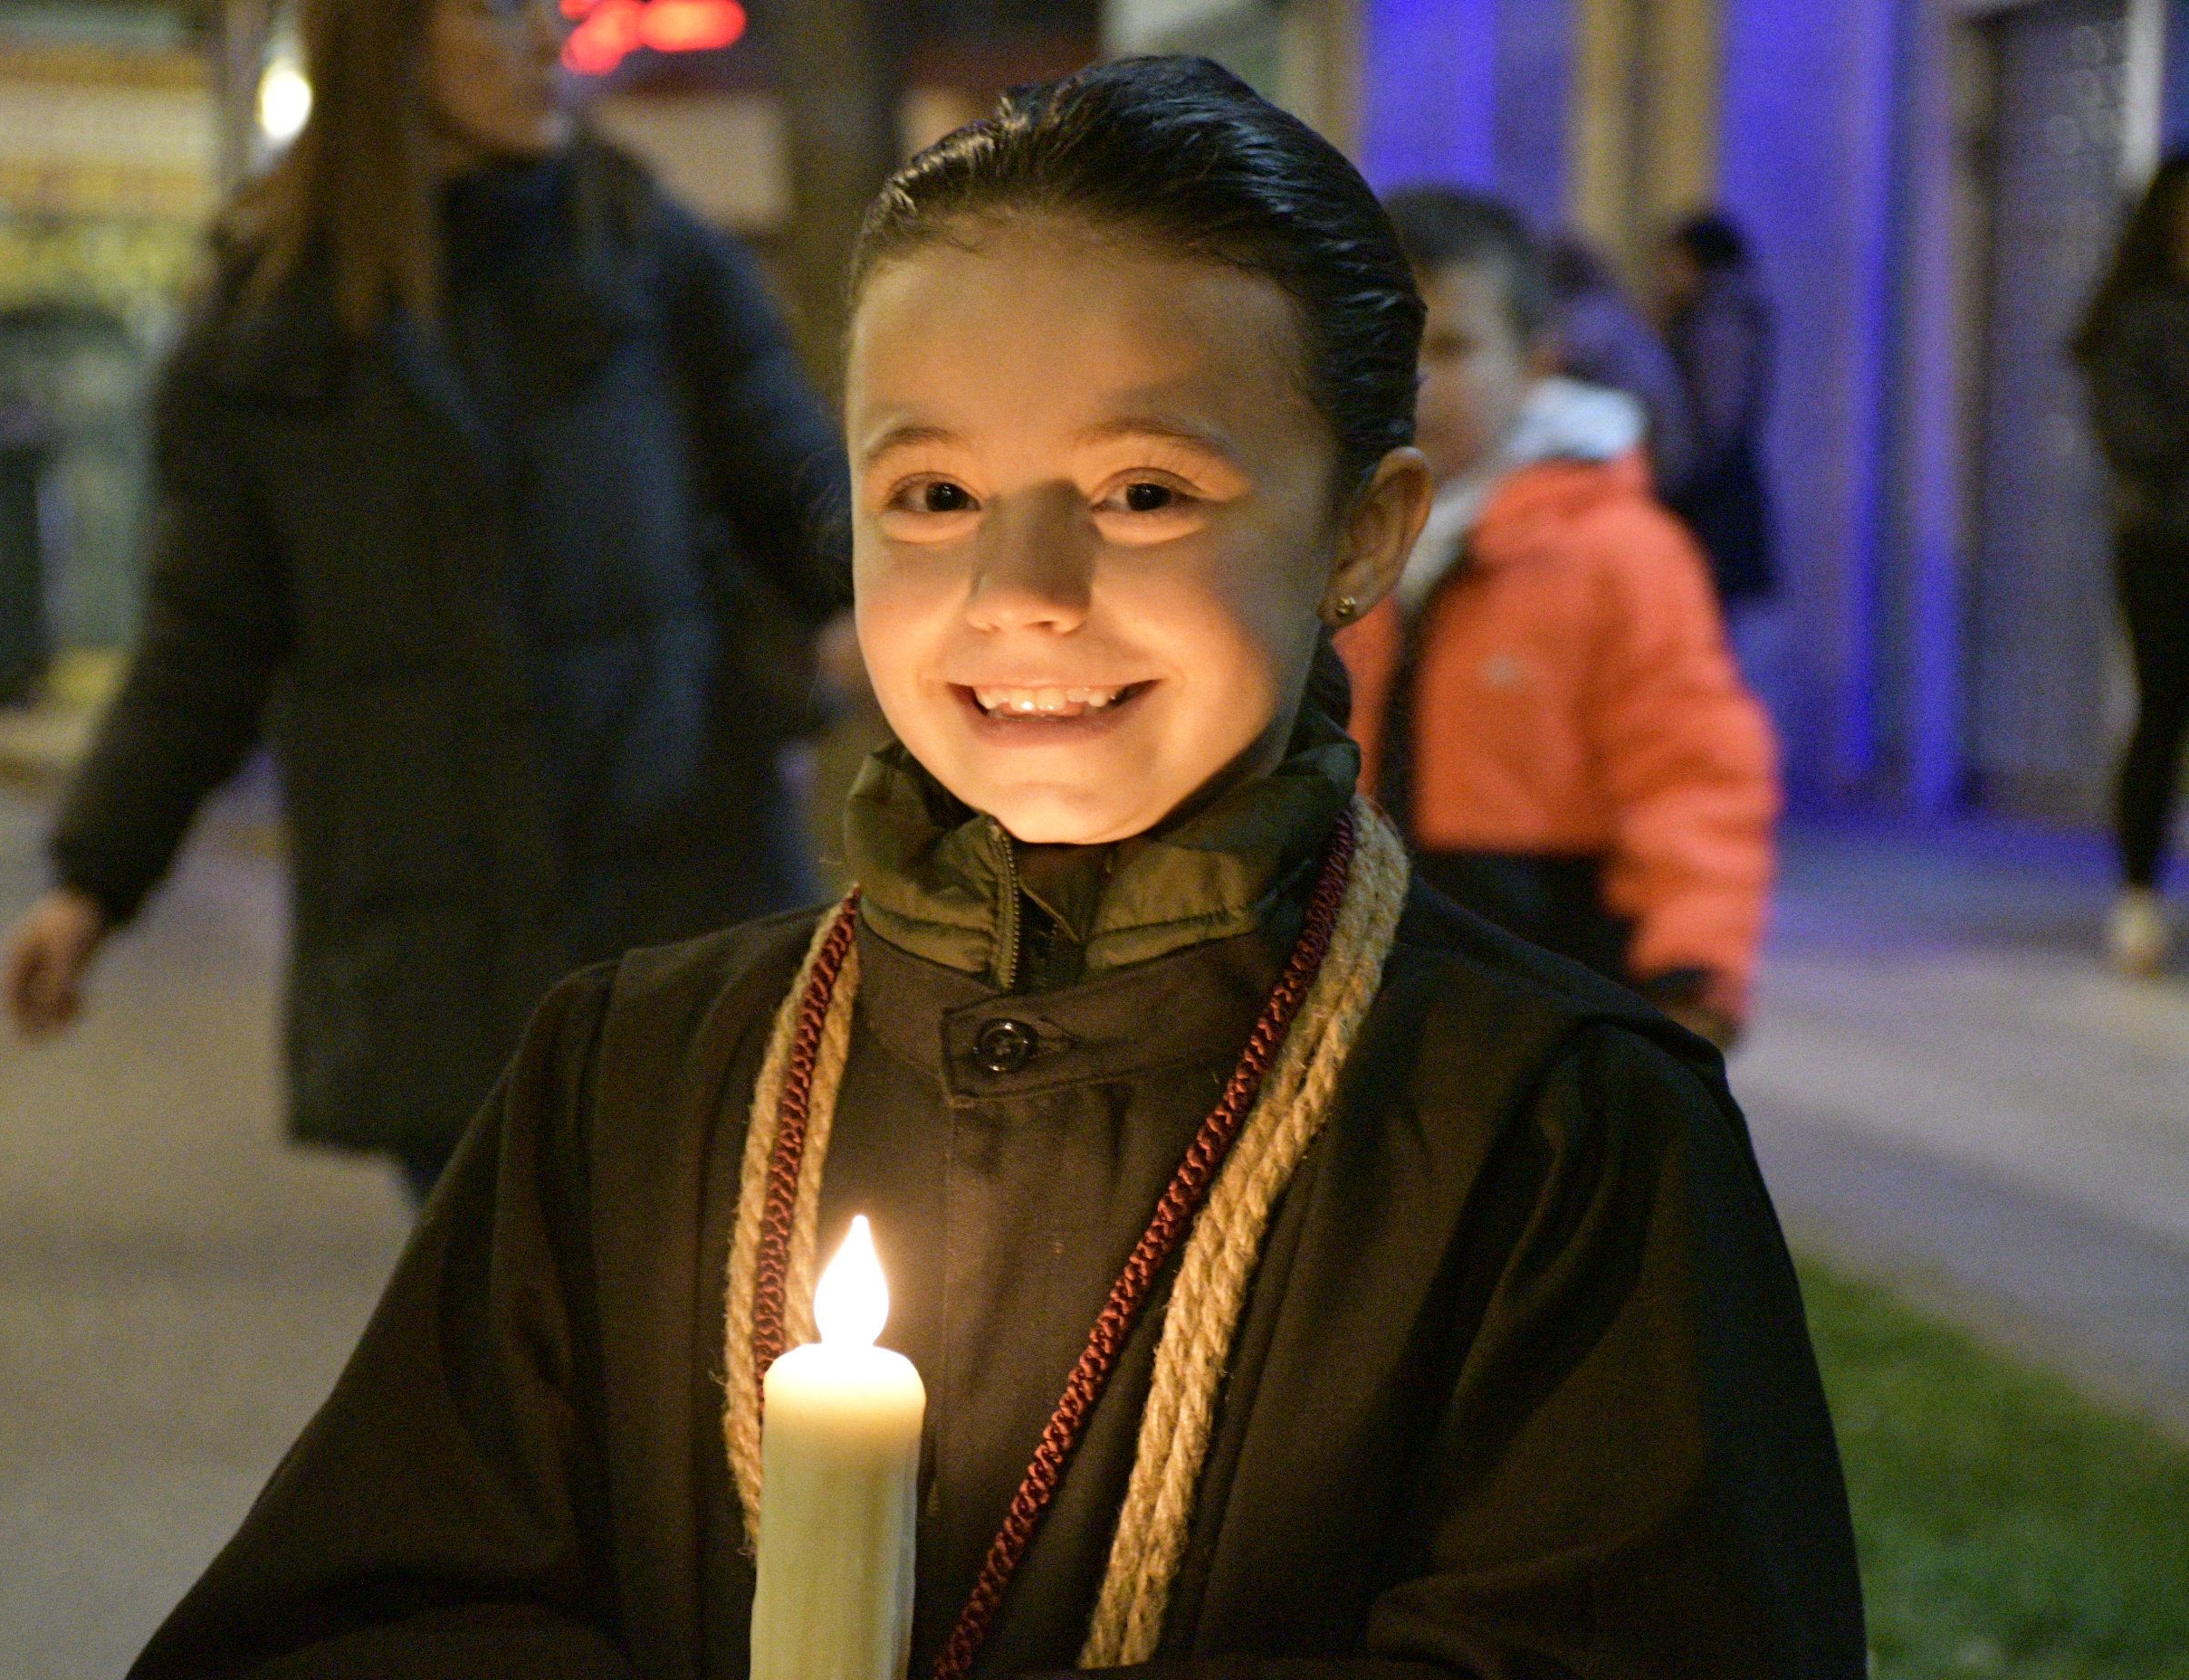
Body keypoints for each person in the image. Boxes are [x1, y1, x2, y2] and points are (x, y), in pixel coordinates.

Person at [125, 59, 1862, 1678]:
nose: (1021, 587)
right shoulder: (627, 1082)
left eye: (1143, 492)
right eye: (934, 495)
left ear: (1359, 533)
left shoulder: (1554, 1140)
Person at [0, 0, 847, 1200]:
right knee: (513, 1365)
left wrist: (875, 634)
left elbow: (811, 503)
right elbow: (203, 646)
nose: (548, 40)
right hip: (438, 960)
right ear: (388, 37)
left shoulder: (648, 252)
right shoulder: (263, 329)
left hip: (682, 907)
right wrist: (93, 883)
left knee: (705, 1343)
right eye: (499, 9)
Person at [1337, 188, 1777, 1048]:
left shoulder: (1619, 552)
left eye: (1454, 347)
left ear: (1536, 360)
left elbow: (1693, 769)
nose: (1417, 381)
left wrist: (1693, 965)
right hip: (1351, 982)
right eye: (1385, 346)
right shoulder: (1316, 540)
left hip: (1554, 980)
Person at [2075, 152, 2189, 978]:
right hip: (2164, 545)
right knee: (2164, 711)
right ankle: (2139, 893)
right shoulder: (2134, 317)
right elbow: (2135, 443)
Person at [1656, 212, 1778, 648]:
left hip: (1715, 507)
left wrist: (1677, 473)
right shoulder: (1718, 317)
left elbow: (1715, 421)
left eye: (1673, 263)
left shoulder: (1719, 322)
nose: (1664, 276)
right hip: (1716, 499)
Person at [1546, 234, 1697, 495]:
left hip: (1645, 466)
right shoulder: (1618, 316)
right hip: (1661, 459)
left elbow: (1550, 364)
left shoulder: (1590, 321)